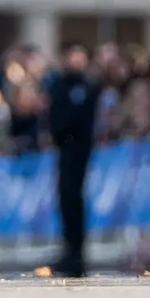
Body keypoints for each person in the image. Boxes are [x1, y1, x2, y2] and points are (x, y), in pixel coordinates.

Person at [47, 45, 97, 278]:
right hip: (64, 149)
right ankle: (68, 249)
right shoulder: (59, 85)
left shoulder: (86, 85)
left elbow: (79, 116)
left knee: (75, 198)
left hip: (80, 148)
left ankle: (77, 251)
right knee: (65, 198)